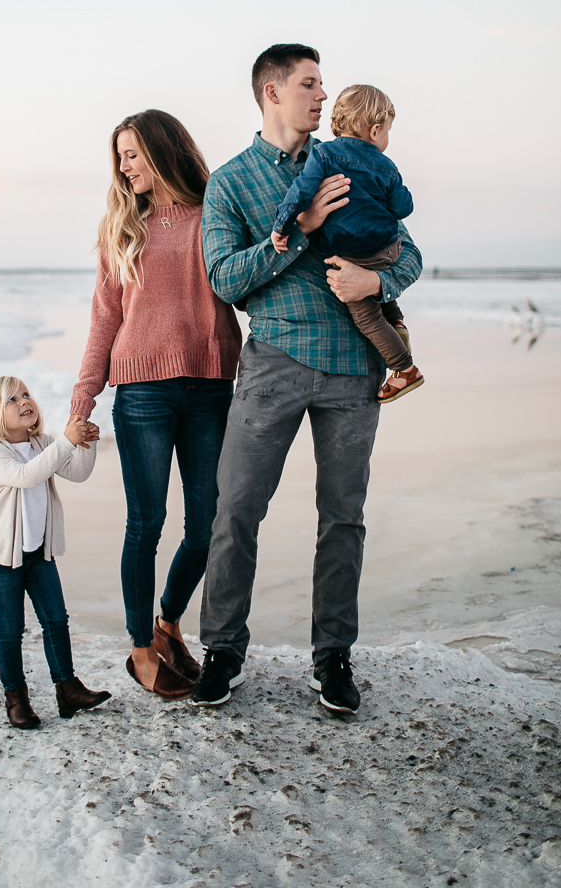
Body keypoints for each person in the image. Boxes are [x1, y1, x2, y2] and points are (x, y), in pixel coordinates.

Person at [192, 44, 422, 714]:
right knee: (235, 509)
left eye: (324, 85)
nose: (323, 97)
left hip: (355, 371)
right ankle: (223, 651)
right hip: (274, 364)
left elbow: (408, 250)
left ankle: (333, 657)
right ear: (273, 92)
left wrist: (375, 279)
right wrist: (299, 229)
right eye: (310, 85)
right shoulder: (232, 182)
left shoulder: (356, 160)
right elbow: (224, 277)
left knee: (343, 517)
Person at [71, 109, 242, 700]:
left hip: (212, 386)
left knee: (208, 524)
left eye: (133, 153)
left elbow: (245, 281)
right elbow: (104, 320)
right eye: (118, 156)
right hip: (141, 392)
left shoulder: (215, 215)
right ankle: (141, 648)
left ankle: (168, 622)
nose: (124, 166)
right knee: (145, 524)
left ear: (163, 151)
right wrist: (83, 397)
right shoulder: (123, 228)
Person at [0, 375, 112, 729]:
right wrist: (66, 442)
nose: (24, 402)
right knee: (10, 630)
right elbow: (28, 476)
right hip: (2, 559)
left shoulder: (41, 443)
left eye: (26, 394)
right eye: (12, 400)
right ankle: (16, 698)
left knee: (56, 621)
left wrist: (85, 444)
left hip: (37, 553)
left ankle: (68, 689)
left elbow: (76, 472)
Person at [272, 83, 424, 403]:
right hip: (389, 249)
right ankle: (396, 322)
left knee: (365, 315)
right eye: (388, 131)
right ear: (375, 129)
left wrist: (282, 225)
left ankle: (404, 370)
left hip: (354, 256)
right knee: (377, 284)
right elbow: (404, 208)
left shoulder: (324, 154)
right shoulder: (386, 165)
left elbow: (300, 191)